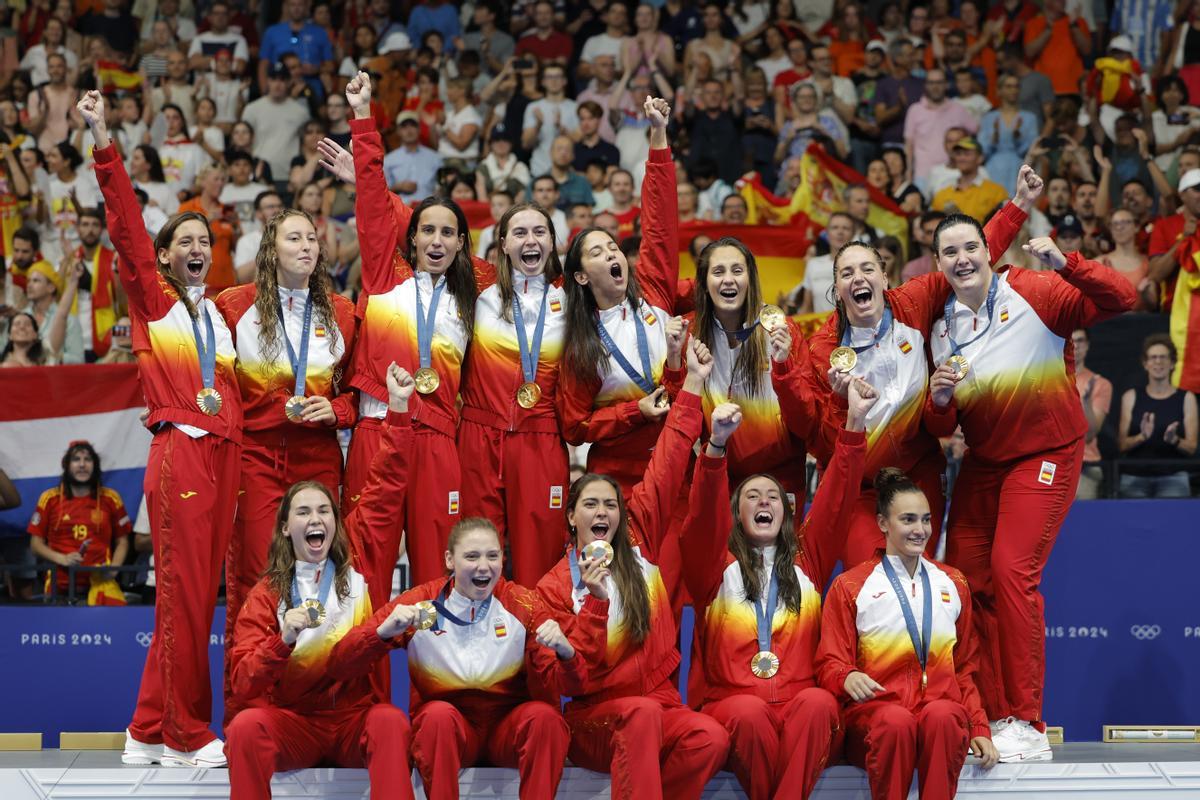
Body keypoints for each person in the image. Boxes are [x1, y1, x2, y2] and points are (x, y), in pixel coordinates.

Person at [922, 216, 1136, 761]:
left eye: (972, 246)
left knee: (1013, 572)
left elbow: (1124, 299)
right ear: (939, 263)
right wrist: (940, 399)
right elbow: (943, 428)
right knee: (967, 584)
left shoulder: (1035, 290)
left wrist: (1070, 263)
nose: (963, 258)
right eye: (950, 252)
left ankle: (1029, 721)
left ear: (988, 250)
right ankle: (989, 714)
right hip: (984, 463)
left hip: (1045, 454)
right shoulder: (940, 327)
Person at [80, 90, 242, 769]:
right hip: (183, 450)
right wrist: (103, 143)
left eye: (206, 240)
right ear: (169, 256)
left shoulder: (227, 317)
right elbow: (127, 230)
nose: (197, 248)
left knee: (196, 598)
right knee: (180, 598)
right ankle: (184, 733)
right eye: (185, 242)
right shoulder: (156, 302)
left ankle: (146, 728)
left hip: (226, 455)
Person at [803, 170, 1033, 568]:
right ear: (836, 289)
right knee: (868, 580)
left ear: (884, 276)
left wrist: (1018, 206)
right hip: (859, 485)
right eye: (847, 273)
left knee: (915, 576)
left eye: (867, 269)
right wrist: (839, 403)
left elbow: (969, 258)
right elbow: (817, 430)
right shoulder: (824, 349)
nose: (859, 278)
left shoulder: (913, 302)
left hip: (917, 473)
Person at [536, 339, 731, 800]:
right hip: (593, 719)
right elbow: (570, 682)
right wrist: (595, 607)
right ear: (572, 516)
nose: (602, 511)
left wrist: (694, 385)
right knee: (641, 716)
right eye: (590, 504)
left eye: (610, 504)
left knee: (710, 738)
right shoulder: (555, 585)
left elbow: (666, 463)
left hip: (659, 702)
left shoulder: (640, 539)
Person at [225, 363, 418, 800]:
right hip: (295, 724)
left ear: (336, 520)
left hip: (353, 721)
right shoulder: (268, 595)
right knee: (245, 727)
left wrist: (400, 409)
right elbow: (243, 682)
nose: (316, 519)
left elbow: (387, 481)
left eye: (324, 511)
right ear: (286, 528)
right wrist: (283, 640)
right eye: (304, 513)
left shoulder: (359, 556)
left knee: (389, 721)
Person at [679, 377, 878, 800]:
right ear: (735, 514)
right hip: (732, 701)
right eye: (752, 496)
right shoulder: (712, 568)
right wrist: (715, 449)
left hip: (796, 700)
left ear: (786, 513)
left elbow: (837, 499)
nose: (764, 502)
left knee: (820, 704)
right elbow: (701, 521)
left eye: (772, 496)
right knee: (749, 712)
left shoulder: (808, 562)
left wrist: (855, 424)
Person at [343, 72, 493, 592]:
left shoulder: (474, 297)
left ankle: (439, 675)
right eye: (426, 229)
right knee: (365, 570)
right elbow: (372, 213)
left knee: (437, 572)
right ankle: (362, 676)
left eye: (447, 232)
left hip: (436, 439)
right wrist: (364, 117)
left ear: (460, 245)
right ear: (410, 238)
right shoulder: (384, 277)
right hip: (377, 430)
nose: (435, 239)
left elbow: (530, 268)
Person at [331, 515, 594, 800]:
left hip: (506, 730)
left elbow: (572, 688)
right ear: (449, 560)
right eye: (471, 556)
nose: (484, 566)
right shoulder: (421, 603)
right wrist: (381, 634)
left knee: (546, 720)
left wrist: (567, 655)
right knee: (436, 716)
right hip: (448, 732)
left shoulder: (522, 604)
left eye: (492, 556)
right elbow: (340, 663)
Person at [215, 205, 359, 719]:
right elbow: (213, 382)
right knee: (256, 580)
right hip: (255, 457)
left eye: (312, 238)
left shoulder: (342, 312)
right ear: (270, 249)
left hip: (317, 458)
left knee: (323, 576)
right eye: (294, 238)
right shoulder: (233, 307)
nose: (306, 245)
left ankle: (322, 710)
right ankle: (243, 716)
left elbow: (362, 396)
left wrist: (336, 410)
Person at [816, 468, 998, 800]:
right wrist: (846, 675)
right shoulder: (852, 586)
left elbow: (965, 669)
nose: (920, 530)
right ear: (883, 523)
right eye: (909, 520)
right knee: (896, 721)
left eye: (926, 520)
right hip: (875, 717)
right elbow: (828, 661)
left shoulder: (953, 583)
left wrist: (979, 726)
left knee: (944, 715)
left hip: (939, 712)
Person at [557, 96, 679, 500]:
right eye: (596, 252)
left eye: (611, 246)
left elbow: (660, 221)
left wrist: (658, 135)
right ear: (579, 275)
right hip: (616, 480)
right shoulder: (581, 342)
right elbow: (575, 426)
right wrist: (633, 412)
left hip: (677, 460)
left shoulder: (653, 293)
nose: (611, 253)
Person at [456, 201, 571, 586]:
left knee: (539, 564)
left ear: (553, 242)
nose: (530, 240)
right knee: (475, 556)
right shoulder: (479, 285)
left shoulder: (572, 299)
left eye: (540, 232)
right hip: (478, 437)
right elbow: (423, 225)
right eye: (519, 233)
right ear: (502, 244)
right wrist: (365, 180)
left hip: (541, 438)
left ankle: (539, 644)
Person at [689, 237, 816, 522]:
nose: (728, 280)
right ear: (704, 281)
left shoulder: (783, 330)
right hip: (721, 478)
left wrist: (783, 367)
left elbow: (806, 423)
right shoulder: (692, 334)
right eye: (718, 272)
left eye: (737, 270)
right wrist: (675, 364)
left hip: (780, 481)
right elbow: (680, 418)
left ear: (751, 278)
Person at [28, 441, 131, 603]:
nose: (82, 465)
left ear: (95, 465)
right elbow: (35, 545)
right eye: (76, 459)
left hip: (101, 586)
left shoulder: (111, 498)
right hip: (58, 588)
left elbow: (123, 541)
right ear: (66, 465)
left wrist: (113, 569)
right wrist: (62, 558)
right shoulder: (49, 498)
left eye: (88, 459)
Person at [1116, 334, 1198, 498]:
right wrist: (1142, 436)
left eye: (1163, 357)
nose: (1158, 362)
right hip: (1135, 476)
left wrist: (1174, 440)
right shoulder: (1130, 397)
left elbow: (1192, 447)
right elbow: (1121, 445)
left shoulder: (1187, 398)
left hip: (1173, 476)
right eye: (1153, 358)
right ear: (1145, 364)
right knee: (1131, 522)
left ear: (1172, 363)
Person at [1072, 329, 1112, 500]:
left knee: (1079, 512)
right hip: (1050, 461)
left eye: (1080, 340)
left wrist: (1086, 403)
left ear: (1087, 345)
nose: (1075, 346)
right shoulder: (1048, 379)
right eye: (1071, 341)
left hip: (1085, 464)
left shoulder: (1099, 384)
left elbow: (1089, 435)